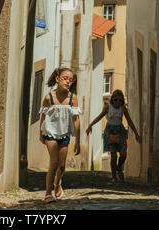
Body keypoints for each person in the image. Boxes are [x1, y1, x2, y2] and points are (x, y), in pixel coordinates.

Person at [39, 67, 81, 203]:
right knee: (54, 161)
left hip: (64, 133)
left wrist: (78, 141)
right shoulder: (49, 97)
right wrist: (41, 133)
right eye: (65, 78)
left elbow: (76, 119)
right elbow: (43, 115)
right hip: (50, 131)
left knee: (62, 165)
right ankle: (47, 193)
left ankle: (57, 184)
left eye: (71, 80)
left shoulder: (72, 98)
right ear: (57, 79)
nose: (68, 82)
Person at [86, 89, 141, 183]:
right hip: (110, 131)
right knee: (114, 155)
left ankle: (119, 168)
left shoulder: (123, 109)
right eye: (116, 100)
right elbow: (99, 117)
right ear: (112, 99)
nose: (118, 102)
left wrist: (136, 133)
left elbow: (130, 121)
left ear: (122, 101)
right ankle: (114, 176)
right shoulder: (108, 107)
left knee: (123, 153)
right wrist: (91, 125)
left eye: (120, 100)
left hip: (120, 131)